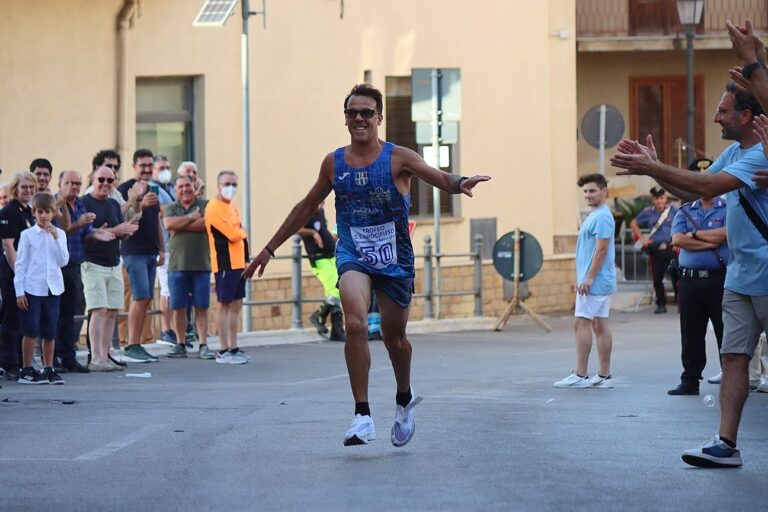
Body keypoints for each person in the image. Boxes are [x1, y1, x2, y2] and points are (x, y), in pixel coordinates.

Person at [243, 83, 490, 447]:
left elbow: (438, 177)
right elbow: (306, 206)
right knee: (355, 324)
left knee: (395, 339)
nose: (359, 118)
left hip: (395, 259)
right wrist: (268, 248)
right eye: (352, 113)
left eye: (366, 113)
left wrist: (459, 182)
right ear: (345, 119)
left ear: (379, 118)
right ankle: (362, 415)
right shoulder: (334, 162)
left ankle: (404, 398)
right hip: (353, 253)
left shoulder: (398, 158)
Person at [610, 80, 768, 468]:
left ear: (746, 116)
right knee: (733, 358)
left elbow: (711, 184)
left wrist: (654, 165)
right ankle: (726, 444)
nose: (716, 117)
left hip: (765, 274)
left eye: (723, 111)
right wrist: (653, 169)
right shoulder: (734, 151)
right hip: (739, 275)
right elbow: (692, 193)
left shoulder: (761, 153)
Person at [667, 159, 729, 396]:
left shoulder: (727, 208)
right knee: (691, 332)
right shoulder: (684, 210)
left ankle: (731, 376)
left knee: (726, 330)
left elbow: (726, 235)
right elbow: (678, 240)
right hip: (690, 281)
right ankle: (690, 379)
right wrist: (708, 237)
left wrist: (693, 236)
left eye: (707, 176)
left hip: (719, 279)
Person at [554, 174, 616, 389]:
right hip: (598, 281)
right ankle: (604, 375)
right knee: (600, 325)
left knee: (581, 323)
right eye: (585, 192)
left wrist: (588, 278)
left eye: (592, 191)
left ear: (604, 191)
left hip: (595, 282)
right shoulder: (597, 215)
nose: (588, 195)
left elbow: (601, 249)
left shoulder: (602, 218)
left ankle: (580, 374)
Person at [81, 167, 137, 371]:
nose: (105, 183)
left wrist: (127, 231)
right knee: (98, 309)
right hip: (93, 262)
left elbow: (118, 232)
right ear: (92, 180)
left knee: (112, 311)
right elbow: (83, 234)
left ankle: (104, 354)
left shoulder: (114, 203)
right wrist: (115, 231)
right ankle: (95, 357)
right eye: (101, 179)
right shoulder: (84, 202)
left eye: (110, 180)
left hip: (114, 262)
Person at [14, 193, 69, 384]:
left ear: (53, 213)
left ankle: (48, 368)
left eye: (47, 212)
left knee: (49, 331)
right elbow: (21, 264)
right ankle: (27, 368)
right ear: (34, 213)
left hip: (53, 289)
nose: (44, 216)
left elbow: (63, 260)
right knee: (30, 329)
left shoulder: (60, 234)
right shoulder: (27, 235)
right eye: (40, 212)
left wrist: (55, 238)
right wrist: (19, 291)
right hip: (32, 288)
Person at [117, 149, 164, 363]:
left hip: (151, 251)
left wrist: (162, 248)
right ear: (134, 166)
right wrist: (139, 204)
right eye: (142, 165)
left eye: (149, 165)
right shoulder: (125, 189)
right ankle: (131, 345)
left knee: (146, 299)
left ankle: (137, 343)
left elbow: (157, 222)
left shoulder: (155, 188)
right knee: (140, 296)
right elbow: (123, 218)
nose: (146, 169)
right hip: (133, 251)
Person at [163, 175, 214, 359]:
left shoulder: (206, 205)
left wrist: (181, 224)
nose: (185, 189)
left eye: (188, 186)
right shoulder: (170, 207)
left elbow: (207, 224)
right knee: (178, 306)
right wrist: (192, 217)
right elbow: (169, 224)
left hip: (201, 264)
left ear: (195, 187)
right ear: (175, 190)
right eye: (181, 186)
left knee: (201, 306)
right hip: (177, 265)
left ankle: (203, 344)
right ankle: (180, 343)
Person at [54, 170, 99, 373]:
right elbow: (62, 231)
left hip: (75, 265)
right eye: (69, 182)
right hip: (56, 266)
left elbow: (86, 235)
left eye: (77, 183)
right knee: (55, 313)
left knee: (70, 313)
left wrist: (104, 232)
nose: (73, 186)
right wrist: (79, 224)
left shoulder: (80, 204)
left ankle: (68, 357)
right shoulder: (53, 204)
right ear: (60, 183)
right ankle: (52, 357)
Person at [204, 171, 250, 364]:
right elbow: (233, 234)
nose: (230, 187)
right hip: (225, 263)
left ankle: (234, 346)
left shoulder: (232, 207)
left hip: (239, 263)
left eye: (233, 184)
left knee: (236, 306)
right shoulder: (213, 207)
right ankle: (223, 349)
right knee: (224, 304)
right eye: (226, 183)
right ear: (218, 185)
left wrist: (247, 260)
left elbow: (243, 236)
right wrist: (241, 232)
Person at [0, 172, 38, 381]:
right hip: (12, 272)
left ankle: (24, 362)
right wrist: (19, 277)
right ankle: (9, 363)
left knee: (24, 318)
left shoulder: (29, 211)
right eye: (24, 187)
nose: (28, 191)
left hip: (28, 274)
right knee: (12, 318)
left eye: (31, 187)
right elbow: (8, 246)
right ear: (15, 189)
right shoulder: (10, 211)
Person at [298, 201, 345, 341]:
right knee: (336, 288)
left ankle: (337, 330)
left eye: (323, 203)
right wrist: (313, 233)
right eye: (319, 203)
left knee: (337, 288)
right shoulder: (305, 213)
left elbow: (323, 228)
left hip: (330, 255)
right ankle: (318, 316)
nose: (320, 206)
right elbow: (297, 229)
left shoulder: (320, 212)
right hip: (318, 258)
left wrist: (331, 238)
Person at [630, 187, 678, 313]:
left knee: (676, 277)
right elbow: (633, 223)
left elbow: (683, 222)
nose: (659, 201)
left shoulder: (673, 211)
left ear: (665, 199)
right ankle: (661, 304)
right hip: (656, 250)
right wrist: (642, 239)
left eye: (661, 198)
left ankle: (681, 304)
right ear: (653, 199)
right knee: (657, 278)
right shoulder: (648, 212)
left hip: (671, 248)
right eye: (656, 198)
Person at [151, 155, 176, 346]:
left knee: (175, 289)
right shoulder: (154, 189)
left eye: (167, 167)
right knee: (166, 289)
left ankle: (177, 329)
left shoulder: (171, 188)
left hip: (176, 246)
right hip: (163, 246)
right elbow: (158, 210)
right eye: (161, 168)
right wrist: (178, 208)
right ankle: (166, 329)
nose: (165, 170)